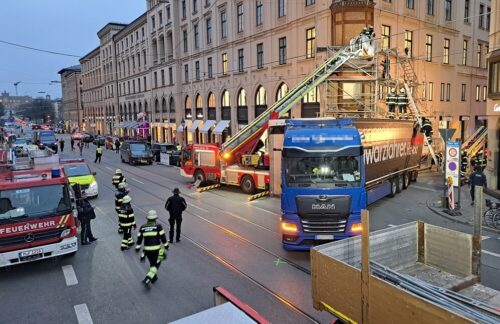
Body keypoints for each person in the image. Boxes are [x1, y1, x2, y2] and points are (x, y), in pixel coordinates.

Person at [135, 210, 168, 287]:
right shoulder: (158, 226)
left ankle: (154, 277)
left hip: (147, 250)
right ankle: (148, 277)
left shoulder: (143, 227)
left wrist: (138, 247)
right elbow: (163, 237)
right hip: (157, 249)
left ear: (148, 218)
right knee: (157, 262)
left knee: (152, 263)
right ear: (155, 218)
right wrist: (166, 246)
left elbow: (139, 238)